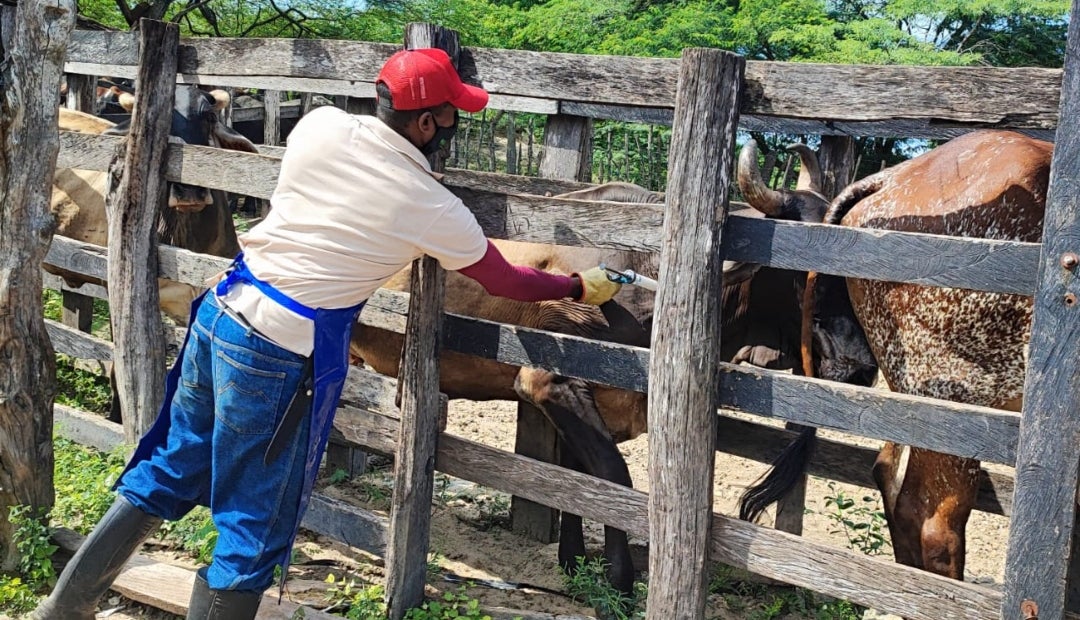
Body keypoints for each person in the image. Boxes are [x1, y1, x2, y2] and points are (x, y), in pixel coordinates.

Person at [32, 47, 621, 620]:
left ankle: (66, 608)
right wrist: (575, 289)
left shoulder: (319, 126)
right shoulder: (429, 205)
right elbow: (507, 280)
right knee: (254, 522)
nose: (453, 126)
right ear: (424, 122)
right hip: (274, 349)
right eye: (450, 116)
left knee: (170, 463)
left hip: (222, 310)